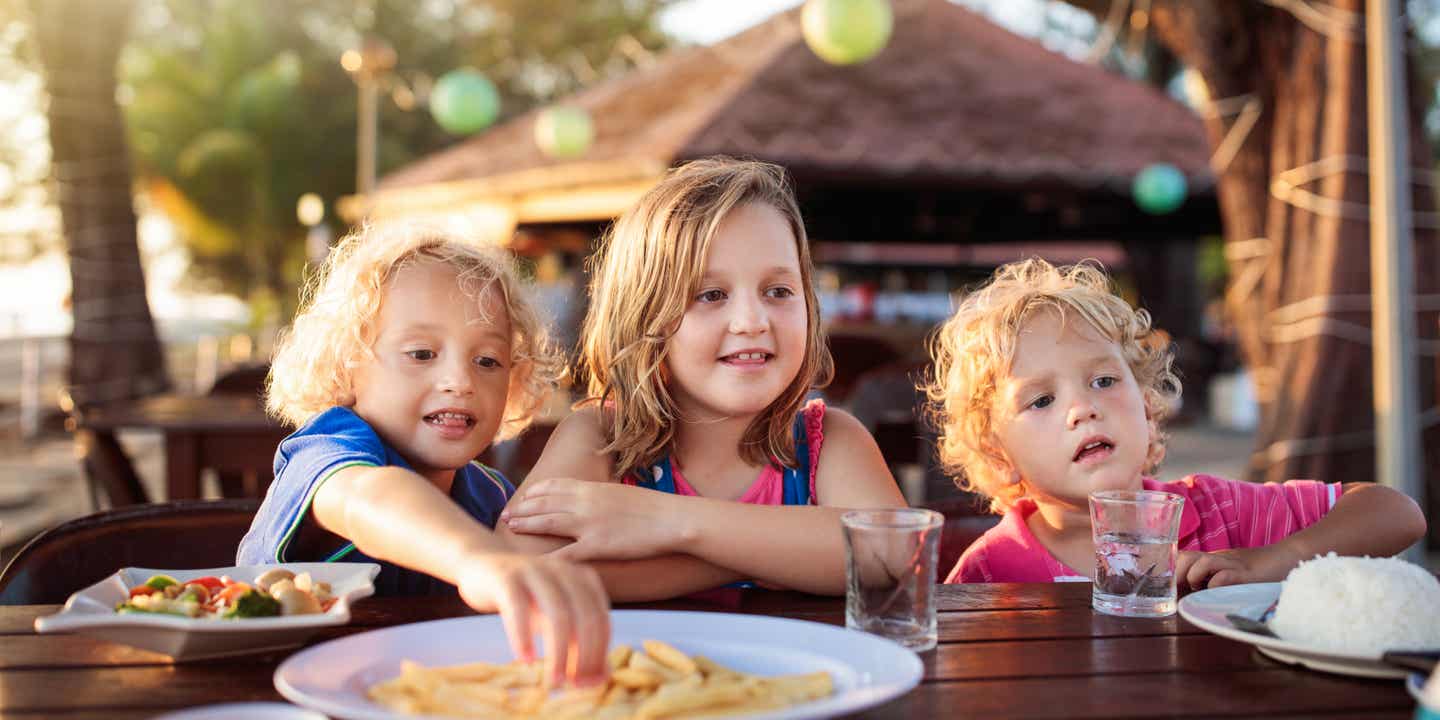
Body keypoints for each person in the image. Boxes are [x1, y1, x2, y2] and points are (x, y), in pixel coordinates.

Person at [498, 158, 907, 599]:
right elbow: (523, 566)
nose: (752, 320)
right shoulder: (602, 436)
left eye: (778, 291)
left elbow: (891, 550)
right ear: (643, 318)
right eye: (711, 295)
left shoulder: (827, 441)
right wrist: (774, 556)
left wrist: (668, 522)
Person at [236, 220, 609, 686]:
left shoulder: (490, 495)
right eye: (421, 353)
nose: (460, 380)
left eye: (488, 361)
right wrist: (480, 558)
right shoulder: (329, 448)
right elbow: (365, 498)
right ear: (346, 367)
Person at [923, 258, 1426, 587]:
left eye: (1103, 382)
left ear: (1145, 403)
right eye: (1041, 401)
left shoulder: (1219, 515)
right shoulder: (991, 572)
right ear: (998, 456)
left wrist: (1275, 559)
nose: (1083, 409)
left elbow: (1398, 513)